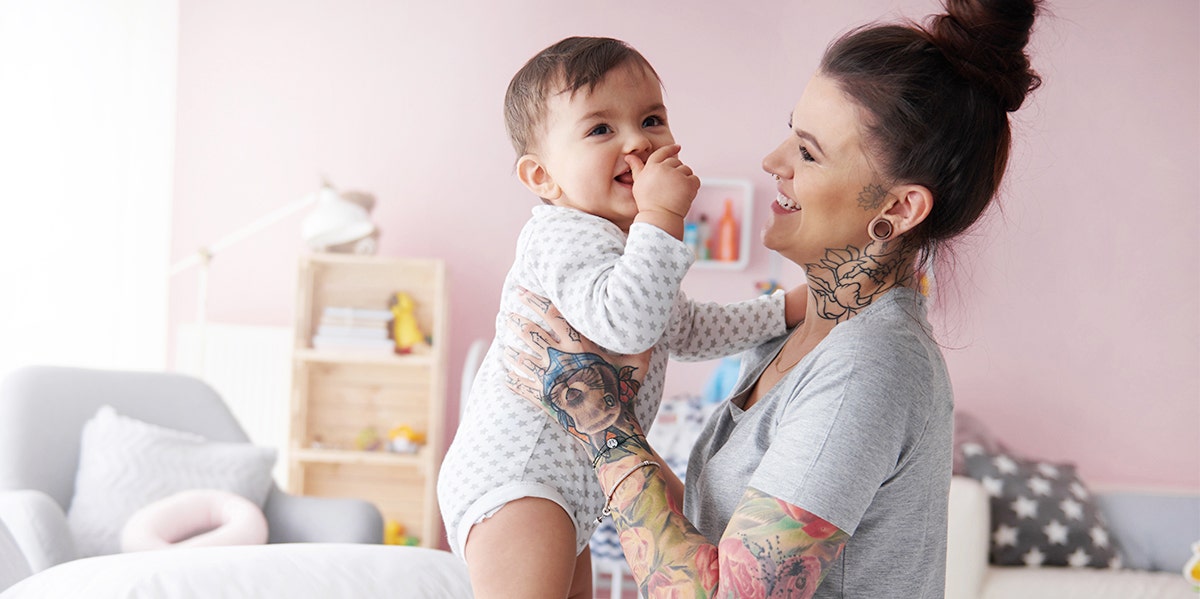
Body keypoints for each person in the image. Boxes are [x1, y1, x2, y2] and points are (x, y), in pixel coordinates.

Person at [504, 1, 1043, 597]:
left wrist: (603, 427)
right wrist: (602, 424)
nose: (773, 162)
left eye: (808, 152)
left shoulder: (869, 368)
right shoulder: (799, 334)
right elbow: (722, 540)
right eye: (791, 131)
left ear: (898, 208)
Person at [436, 36, 806, 599]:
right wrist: (661, 215)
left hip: (574, 483)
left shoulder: (626, 245)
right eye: (600, 129)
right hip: (520, 476)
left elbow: (682, 329)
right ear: (542, 178)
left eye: (652, 119)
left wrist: (788, 308)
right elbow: (627, 325)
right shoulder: (563, 234)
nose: (636, 140)